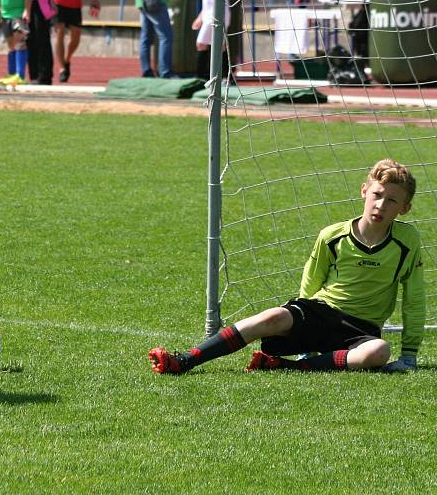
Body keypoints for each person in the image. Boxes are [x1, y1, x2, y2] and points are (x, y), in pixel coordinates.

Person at [150, 158, 424, 375]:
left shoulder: (407, 241)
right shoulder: (332, 236)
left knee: (378, 352)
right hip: (321, 312)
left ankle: (284, 366)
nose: (381, 205)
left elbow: (414, 298)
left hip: (362, 329)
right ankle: (185, 360)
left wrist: (409, 355)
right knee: (272, 316)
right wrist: (303, 335)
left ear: (404, 208)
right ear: (364, 191)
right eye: (377, 194)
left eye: (392, 200)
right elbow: (311, 281)